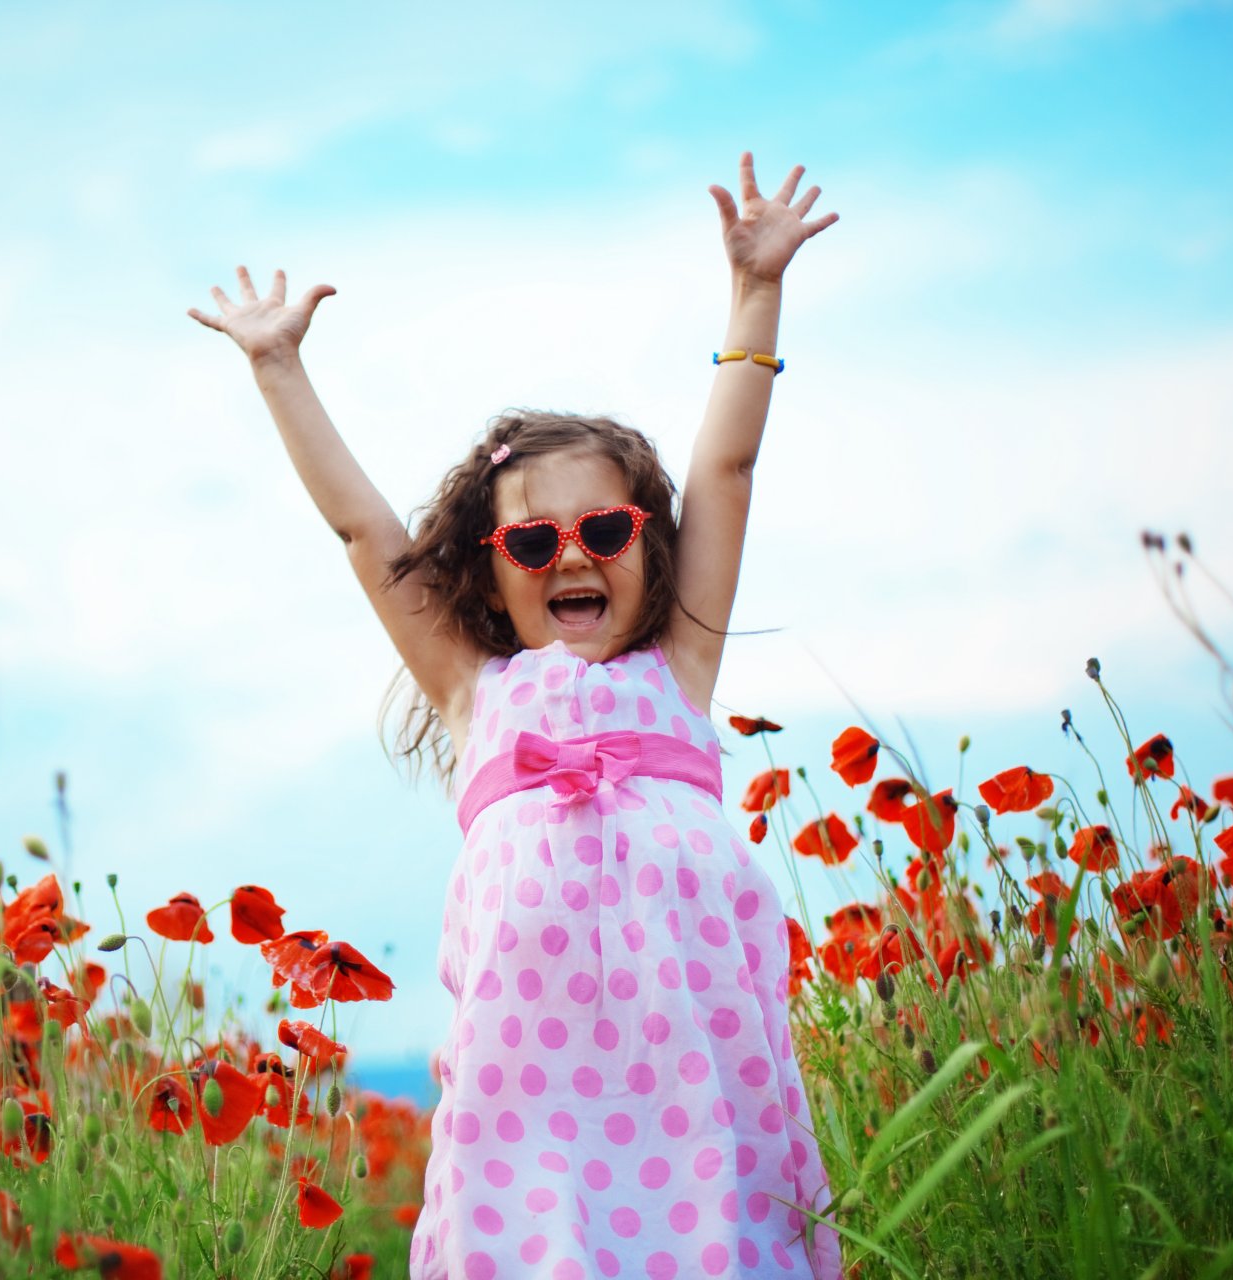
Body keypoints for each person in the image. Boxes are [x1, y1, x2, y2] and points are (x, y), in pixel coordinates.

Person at [189, 152, 841, 1280]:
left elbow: (726, 467)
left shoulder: (680, 665)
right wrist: (278, 366)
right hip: (530, 1115)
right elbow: (363, 530)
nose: (574, 554)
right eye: (535, 543)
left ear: (650, 544)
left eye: (606, 530)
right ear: (494, 576)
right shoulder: (474, 691)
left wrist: (755, 294)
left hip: (693, 1093)